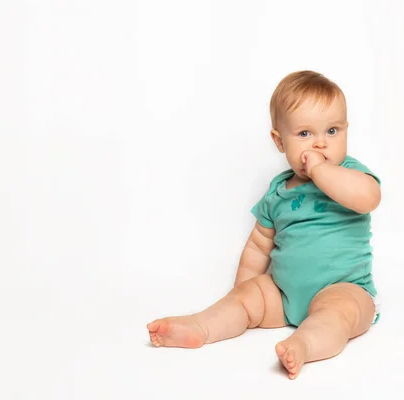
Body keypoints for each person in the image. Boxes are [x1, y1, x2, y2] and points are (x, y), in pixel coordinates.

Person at [147, 70, 382, 380]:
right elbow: (259, 245)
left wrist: (322, 172)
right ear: (279, 141)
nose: (321, 144)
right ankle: (201, 326)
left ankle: (304, 345)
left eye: (333, 131)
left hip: (344, 290)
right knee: (248, 297)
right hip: (284, 295)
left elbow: (369, 198)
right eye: (304, 134)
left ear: (347, 132)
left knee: (336, 317)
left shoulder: (351, 175)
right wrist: (242, 291)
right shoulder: (278, 192)